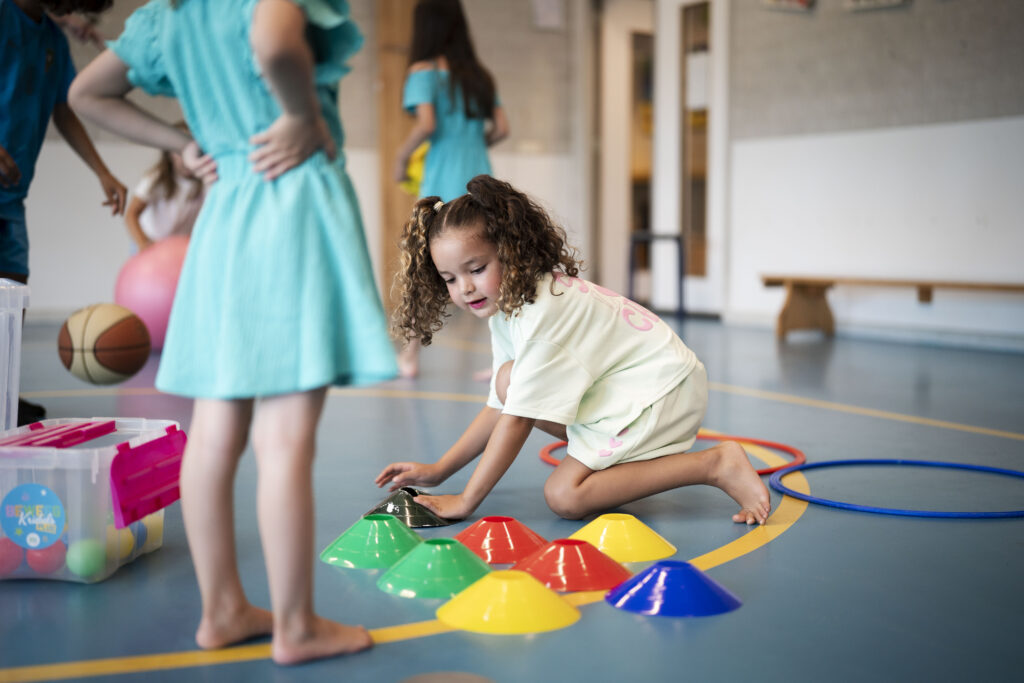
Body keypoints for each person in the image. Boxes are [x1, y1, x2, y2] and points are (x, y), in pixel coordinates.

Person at [70, 0, 396, 665]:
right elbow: (276, 38)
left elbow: (87, 92)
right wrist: (301, 114)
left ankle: (221, 607)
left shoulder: (170, 14)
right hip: (290, 203)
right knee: (284, 436)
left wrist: (180, 143)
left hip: (224, 220)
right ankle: (297, 625)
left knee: (215, 431)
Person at [376, 175, 771, 526]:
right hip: (632, 386)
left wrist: (466, 500)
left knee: (564, 495)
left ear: (510, 253)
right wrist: (440, 470)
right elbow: (502, 403)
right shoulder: (507, 308)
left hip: (662, 391)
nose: (464, 288)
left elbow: (516, 420)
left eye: (476, 269)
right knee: (507, 380)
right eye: (449, 278)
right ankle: (623, 457)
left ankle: (715, 464)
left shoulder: (543, 314)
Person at [0, 0, 126, 426]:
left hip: (12, 196)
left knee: (13, 301)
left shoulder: (51, 38)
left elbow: (63, 108)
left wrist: (102, 170)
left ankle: (3, 397)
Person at [392, 0, 509, 378]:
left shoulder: (423, 72)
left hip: (441, 181)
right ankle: (504, 357)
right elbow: (502, 128)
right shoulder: (480, 77)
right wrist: (474, 147)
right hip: (480, 183)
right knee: (494, 264)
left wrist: (401, 156)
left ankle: (409, 356)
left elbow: (426, 124)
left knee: (423, 268)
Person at [124, 122, 205, 251]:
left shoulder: (204, 183)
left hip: (178, 246)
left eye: (194, 152)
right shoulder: (156, 179)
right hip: (150, 241)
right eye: (180, 152)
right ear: (169, 154)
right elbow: (131, 214)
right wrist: (144, 243)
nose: (186, 158)